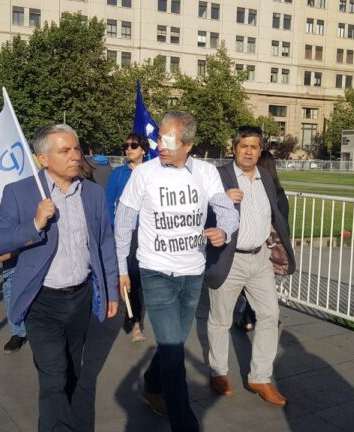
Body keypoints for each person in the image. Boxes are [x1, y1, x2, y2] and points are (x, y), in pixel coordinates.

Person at [0, 124, 119, 431]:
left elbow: (104, 244)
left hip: (80, 298)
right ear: (43, 159)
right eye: (64, 151)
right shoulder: (20, 193)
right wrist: (34, 224)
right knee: (53, 376)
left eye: (76, 148)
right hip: (41, 301)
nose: (75, 156)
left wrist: (111, 290)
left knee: (72, 372)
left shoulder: (93, 193)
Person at [114, 111, 239, 432]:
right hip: (155, 271)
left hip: (192, 272)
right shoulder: (144, 173)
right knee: (173, 353)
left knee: (173, 344)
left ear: (188, 145)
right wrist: (120, 268)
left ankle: (152, 383)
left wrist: (223, 230)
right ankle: (185, 423)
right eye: (159, 139)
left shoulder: (207, 173)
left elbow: (227, 211)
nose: (160, 145)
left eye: (168, 140)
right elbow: (124, 222)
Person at [204, 126, 296, 407]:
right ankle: (218, 371)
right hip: (229, 258)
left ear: (260, 150)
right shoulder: (219, 176)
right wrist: (218, 199)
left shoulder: (265, 177)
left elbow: (274, 216)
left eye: (254, 146)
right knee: (220, 319)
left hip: (259, 258)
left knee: (269, 314)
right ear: (233, 148)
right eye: (243, 145)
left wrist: (278, 247)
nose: (248, 151)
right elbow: (198, 212)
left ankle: (260, 376)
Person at [236, 149, 290, 331]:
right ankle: (256, 317)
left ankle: (251, 318)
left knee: (251, 285)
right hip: (273, 245)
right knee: (261, 286)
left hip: (261, 245)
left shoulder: (264, 191)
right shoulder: (279, 192)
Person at [105, 132, 148, 343]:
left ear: (144, 150)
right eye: (127, 145)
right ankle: (135, 320)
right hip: (127, 233)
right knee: (130, 277)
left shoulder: (153, 172)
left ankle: (135, 314)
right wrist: (114, 227)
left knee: (144, 280)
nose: (128, 148)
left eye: (133, 145)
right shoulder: (118, 174)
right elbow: (108, 203)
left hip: (149, 233)